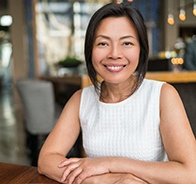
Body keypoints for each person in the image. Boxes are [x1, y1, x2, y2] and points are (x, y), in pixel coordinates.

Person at [38, 2, 196, 184]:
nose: (114, 54)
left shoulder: (162, 95)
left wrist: (111, 163)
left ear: (141, 50)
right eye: (103, 43)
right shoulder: (81, 99)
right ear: (90, 50)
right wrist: (105, 180)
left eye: (127, 43)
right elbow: (46, 160)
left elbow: (190, 173)